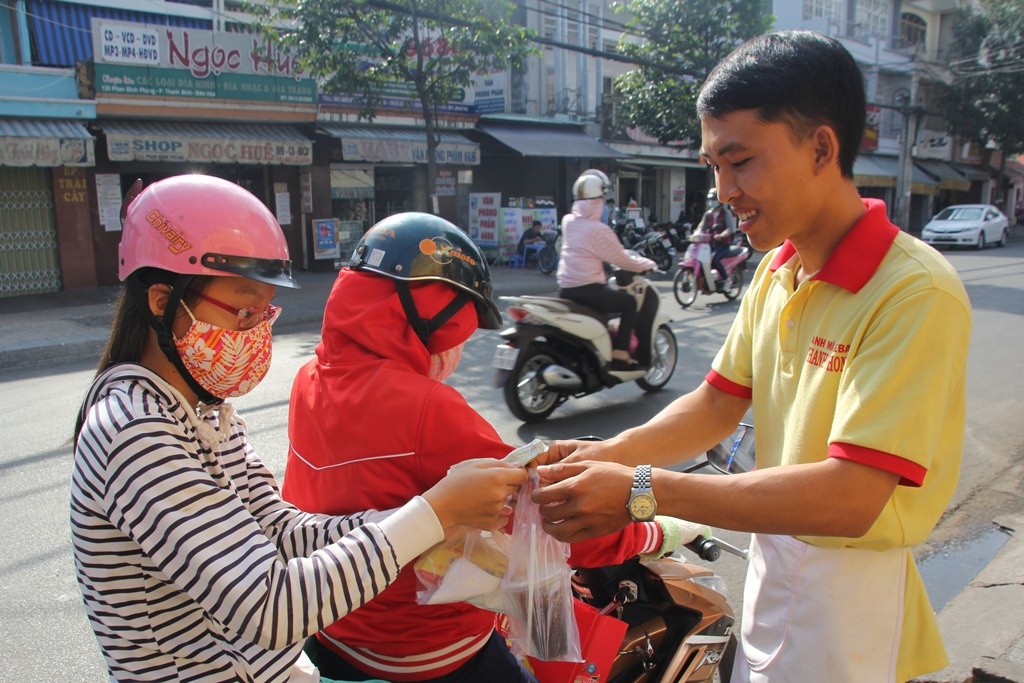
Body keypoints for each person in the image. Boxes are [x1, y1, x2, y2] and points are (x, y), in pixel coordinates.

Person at [532, 30, 971, 683]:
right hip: (774, 562)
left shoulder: (913, 291)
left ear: (821, 148)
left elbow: (849, 498)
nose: (723, 189)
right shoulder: (777, 270)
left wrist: (641, 491)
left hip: (853, 604)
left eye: (739, 161)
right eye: (713, 165)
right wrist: (607, 454)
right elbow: (716, 402)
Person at [70, 176, 529, 683]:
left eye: (265, 312)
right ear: (163, 301)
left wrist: (433, 514)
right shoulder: (135, 432)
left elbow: (284, 531)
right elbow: (267, 606)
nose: (256, 334)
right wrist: (433, 512)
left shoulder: (205, 417)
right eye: (245, 311)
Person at [281, 212, 693, 682]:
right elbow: (554, 516)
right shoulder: (427, 407)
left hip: (331, 626)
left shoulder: (309, 377)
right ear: (431, 310)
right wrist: (656, 532)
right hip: (419, 649)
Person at [556, 169, 657, 370]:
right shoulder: (598, 229)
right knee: (629, 304)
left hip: (565, 289)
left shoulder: (568, 222)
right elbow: (622, 259)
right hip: (589, 290)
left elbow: (581, 250)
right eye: (601, 200)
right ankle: (620, 352)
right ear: (596, 202)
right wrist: (648, 264)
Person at [700, 186, 736, 289]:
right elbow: (701, 227)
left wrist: (722, 235)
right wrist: (696, 234)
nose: (712, 201)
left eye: (714, 199)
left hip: (723, 244)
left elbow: (730, 228)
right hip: (710, 244)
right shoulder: (708, 214)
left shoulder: (726, 213)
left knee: (714, 259)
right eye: (711, 199)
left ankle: (727, 279)